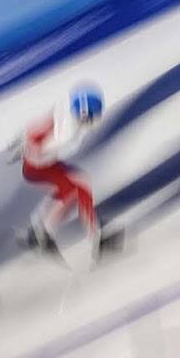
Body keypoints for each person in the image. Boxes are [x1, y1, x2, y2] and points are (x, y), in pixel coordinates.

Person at [16, 84, 114, 261]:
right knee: (81, 185)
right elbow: (42, 146)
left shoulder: (67, 110)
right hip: (39, 166)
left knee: (73, 188)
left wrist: (25, 141)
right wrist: (28, 147)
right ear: (84, 114)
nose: (95, 119)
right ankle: (94, 238)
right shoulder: (66, 134)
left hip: (40, 164)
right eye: (93, 115)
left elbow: (38, 128)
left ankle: (40, 230)